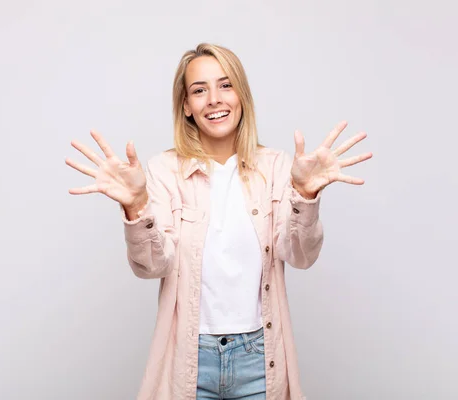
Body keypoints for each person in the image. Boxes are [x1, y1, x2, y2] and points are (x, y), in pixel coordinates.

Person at [65, 43, 372, 400]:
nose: (214, 99)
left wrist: (305, 194)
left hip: (260, 359)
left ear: (241, 95)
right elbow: (152, 266)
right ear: (186, 106)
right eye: (199, 90)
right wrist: (136, 206)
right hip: (190, 359)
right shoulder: (164, 170)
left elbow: (300, 256)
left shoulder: (275, 167)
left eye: (225, 85)